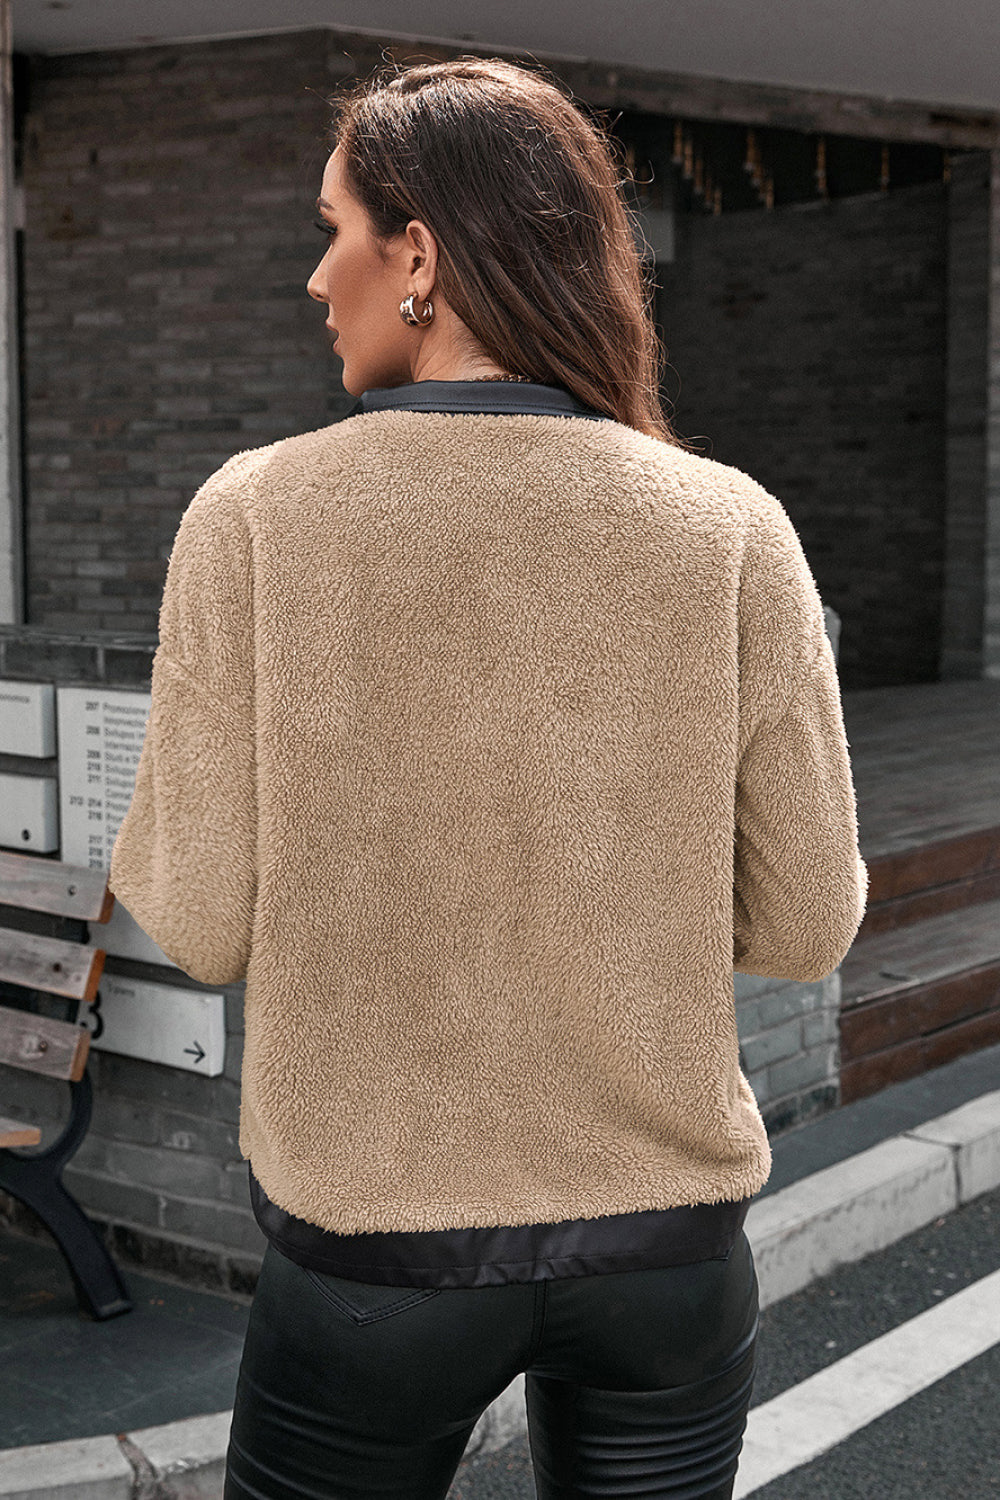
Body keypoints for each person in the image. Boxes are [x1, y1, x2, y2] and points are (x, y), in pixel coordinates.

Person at [108, 55, 869, 1500]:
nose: (313, 277)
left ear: (418, 256)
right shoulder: (729, 526)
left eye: (330, 230)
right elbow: (806, 925)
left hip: (374, 1269)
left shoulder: (257, 516)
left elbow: (197, 922)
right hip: (665, 1258)